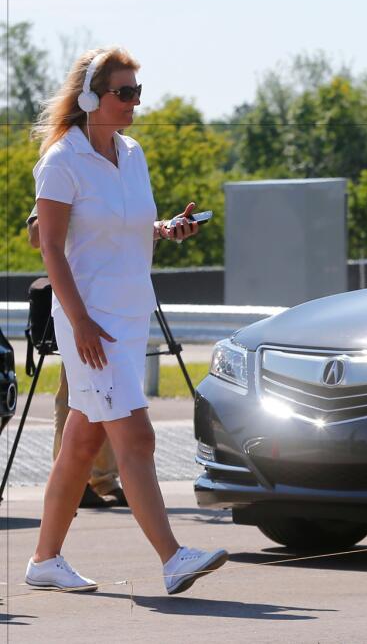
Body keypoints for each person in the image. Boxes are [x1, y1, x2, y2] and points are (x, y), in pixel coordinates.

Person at [24, 47, 226, 595]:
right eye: (125, 92)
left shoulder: (132, 153)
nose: (136, 101)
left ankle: (44, 559)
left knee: (82, 443)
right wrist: (80, 320)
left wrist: (165, 229)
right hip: (91, 325)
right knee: (136, 436)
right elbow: (52, 249)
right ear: (92, 97)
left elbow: (126, 225)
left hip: (129, 314)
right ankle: (172, 557)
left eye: (138, 91)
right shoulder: (62, 161)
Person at [26, 209, 126, 509]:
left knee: (118, 392)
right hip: (79, 298)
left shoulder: (123, 166)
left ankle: (103, 478)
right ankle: (72, 479)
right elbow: (36, 236)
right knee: (76, 395)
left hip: (119, 296)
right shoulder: (64, 166)